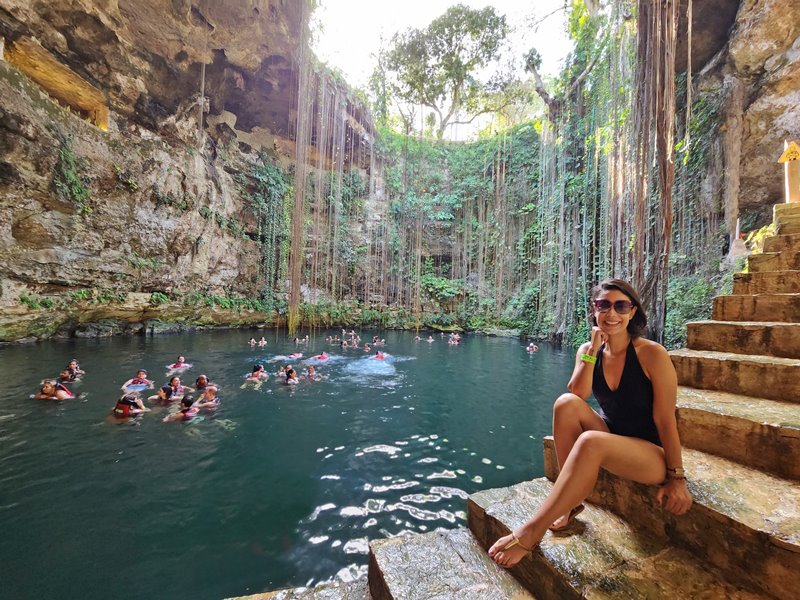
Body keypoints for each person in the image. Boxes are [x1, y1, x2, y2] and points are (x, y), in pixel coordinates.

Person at [488, 279, 693, 568]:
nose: (612, 313)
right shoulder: (589, 349)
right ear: (594, 311)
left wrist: (677, 478)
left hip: (650, 453)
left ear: (632, 312)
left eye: (621, 306)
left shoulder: (651, 354)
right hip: (611, 436)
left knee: (590, 442)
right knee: (565, 404)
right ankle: (569, 503)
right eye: (604, 305)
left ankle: (531, 531)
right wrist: (593, 350)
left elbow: (665, 419)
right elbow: (578, 393)